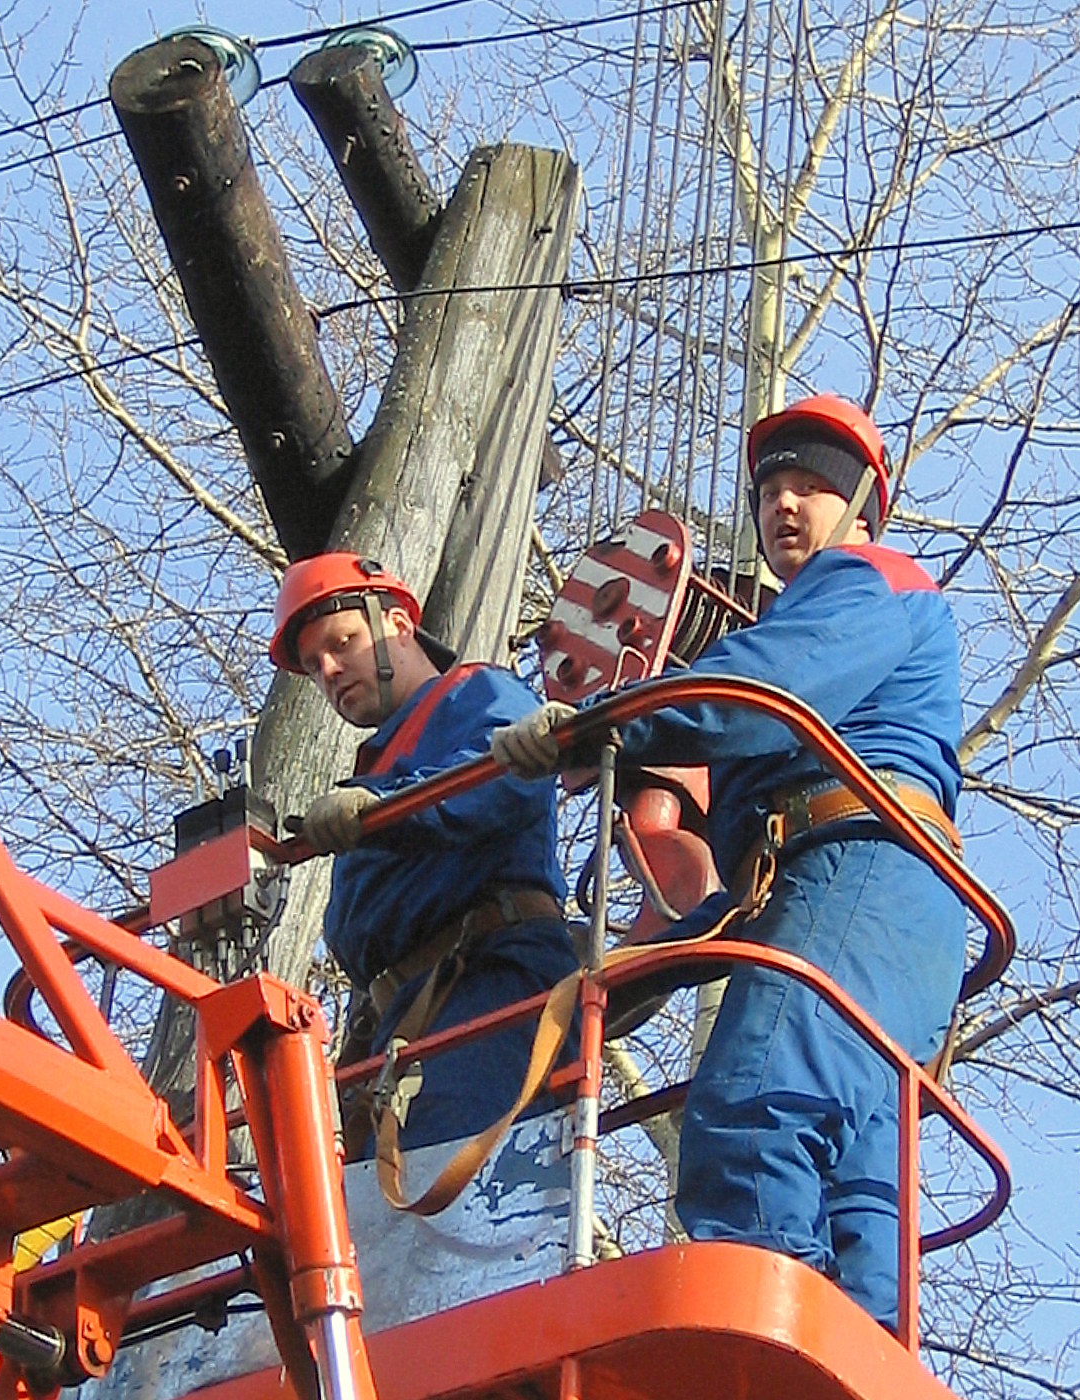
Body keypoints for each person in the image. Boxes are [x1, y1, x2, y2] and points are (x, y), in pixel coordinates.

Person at [492, 396, 965, 1328]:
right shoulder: (840, 636)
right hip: (895, 909)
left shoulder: (868, 580)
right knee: (856, 1183)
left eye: (814, 488)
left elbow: (754, 688)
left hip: (854, 870)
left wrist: (601, 721)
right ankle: (867, 1383)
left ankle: (765, 1379)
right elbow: (700, 846)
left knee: (752, 1112)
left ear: (862, 505)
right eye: (773, 490)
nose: (787, 504)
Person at [272, 551, 579, 1174]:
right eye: (314, 665)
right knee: (378, 1217)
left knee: (453, 1188)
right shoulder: (382, 758)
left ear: (400, 628)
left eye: (343, 643)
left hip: (488, 982)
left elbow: (499, 785)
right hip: (407, 1013)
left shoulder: (479, 692)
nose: (330, 671)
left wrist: (381, 812)